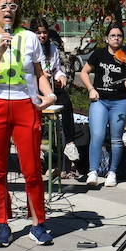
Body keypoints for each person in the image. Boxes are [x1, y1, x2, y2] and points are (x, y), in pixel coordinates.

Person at [0, 0, 55, 248]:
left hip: (25, 105)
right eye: (3, 6)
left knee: (32, 168)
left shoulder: (29, 37)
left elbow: (39, 73)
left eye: (12, 6)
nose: (8, 10)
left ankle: (38, 224)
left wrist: (49, 94)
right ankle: (2, 224)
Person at [77, 25, 126, 187]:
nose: (116, 38)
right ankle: (93, 172)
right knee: (97, 135)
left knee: (116, 139)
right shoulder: (99, 54)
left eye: (119, 36)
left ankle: (112, 172)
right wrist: (91, 89)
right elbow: (84, 72)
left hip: (119, 102)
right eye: (113, 35)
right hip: (100, 100)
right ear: (107, 38)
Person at [34, 19, 78, 178]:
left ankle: (70, 144)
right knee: (39, 119)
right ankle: (38, 155)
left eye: (44, 32)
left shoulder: (52, 48)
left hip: (52, 87)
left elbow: (57, 68)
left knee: (66, 104)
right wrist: (40, 74)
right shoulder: (30, 47)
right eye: (38, 33)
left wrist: (61, 76)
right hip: (36, 88)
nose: (42, 36)